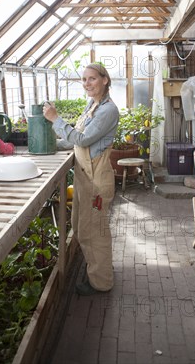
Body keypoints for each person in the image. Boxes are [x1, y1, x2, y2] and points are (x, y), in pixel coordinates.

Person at [43, 63, 119, 296]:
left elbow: (83, 140)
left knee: (94, 231)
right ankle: (97, 269)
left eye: (92, 79)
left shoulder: (108, 110)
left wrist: (55, 119)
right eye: (84, 79)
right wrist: (49, 145)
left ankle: (102, 282)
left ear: (105, 80)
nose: (87, 83)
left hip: (96, 178)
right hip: (85, 176)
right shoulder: (92, 105)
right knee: (80, 226)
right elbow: (75, 139)